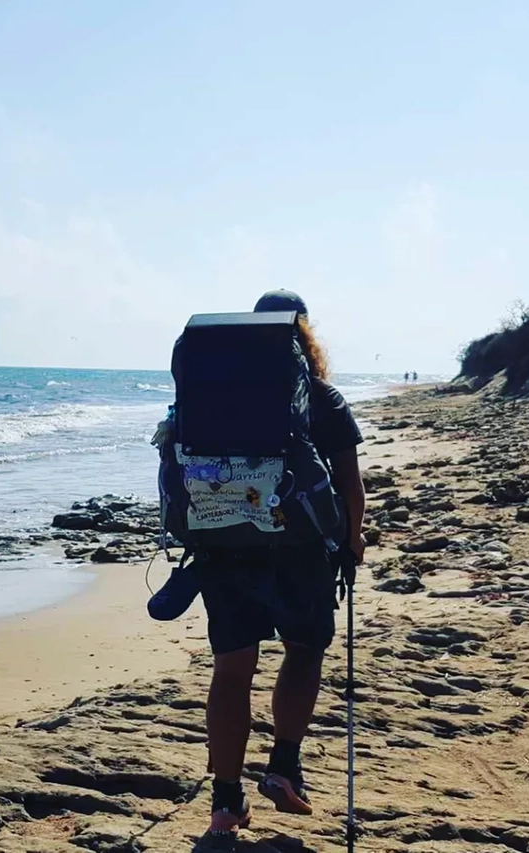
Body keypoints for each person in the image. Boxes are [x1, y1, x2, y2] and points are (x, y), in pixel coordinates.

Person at [198, 290, 367, 837]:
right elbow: (349, 484)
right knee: (302, 652)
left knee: (231, 672)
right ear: (303, 333)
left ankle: (226, 802)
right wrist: (354, 538)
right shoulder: (322, 397)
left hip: (224, 546)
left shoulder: (209, 393)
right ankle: (284, 767)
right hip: (302, 551)